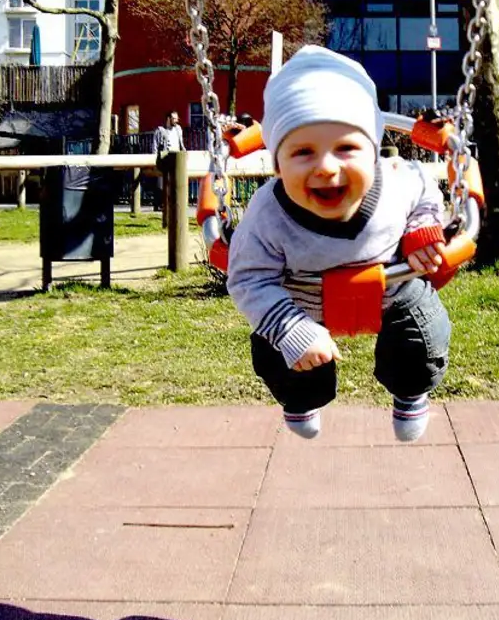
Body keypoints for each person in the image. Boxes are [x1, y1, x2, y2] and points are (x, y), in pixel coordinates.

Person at [226, 46, 450, 442]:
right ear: (277, 165)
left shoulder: (397, 180)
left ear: (374, 152)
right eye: (303, 152)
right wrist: (292, 330)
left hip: (393, 293)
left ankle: (411, 391)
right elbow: (248, 279)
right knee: (283, 352)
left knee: (421, 332)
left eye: (346, 148)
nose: (327, 167)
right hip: (301, 304)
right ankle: (300, 400)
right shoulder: (267, 213)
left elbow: (426, 195)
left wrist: (421, 230)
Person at [153, 110, 184, 220]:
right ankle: (160, 204)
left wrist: (184, 152)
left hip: (177, 157)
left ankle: (173, 203)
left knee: (175, 182)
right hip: (165, 157)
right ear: (168, 119)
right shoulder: (160, 130)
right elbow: (155, 146)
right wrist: (155, 158)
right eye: (174, 118)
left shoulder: (178, 129)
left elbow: (181, 143)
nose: (176, 121)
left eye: (177, 118)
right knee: (162, 183)